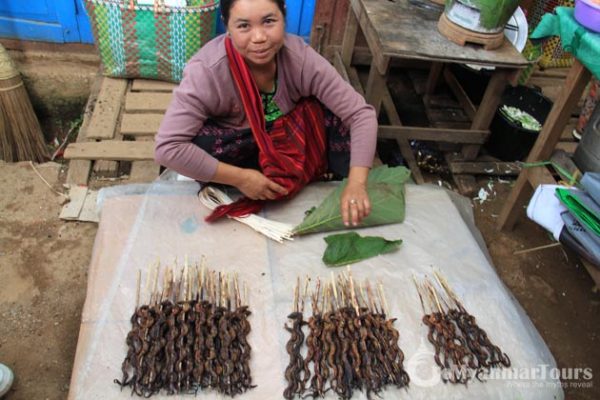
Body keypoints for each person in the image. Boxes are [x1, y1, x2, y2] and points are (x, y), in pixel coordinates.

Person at [155, 0, 378, 226]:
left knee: (336, 117)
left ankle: (309, 174)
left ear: (284, 16)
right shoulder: (206, 71)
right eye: (244, 26)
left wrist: (357, 183)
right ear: (227, 26)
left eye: (269, 21)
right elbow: (167, 147)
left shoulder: (300, 58)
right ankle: (250, 180)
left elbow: (360, 114)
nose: (259, 37)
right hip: (240, 146)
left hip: (289, 137)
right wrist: (241, 179)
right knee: (199, 143)